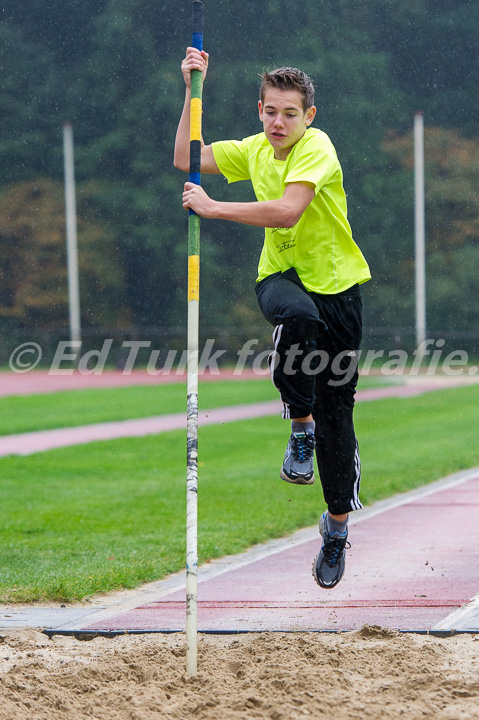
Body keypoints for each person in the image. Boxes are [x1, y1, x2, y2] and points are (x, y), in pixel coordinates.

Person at [174, 47, 371, 589]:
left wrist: (214, 208)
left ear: (308, 116)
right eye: (270, 111)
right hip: (282, 279)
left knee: (341, 422)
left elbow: (287, 210)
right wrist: (194, 89)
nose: (278, 122)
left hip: (340, 291)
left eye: (289, 113)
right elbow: (186, 159)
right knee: (297, 319)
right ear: (259, 110)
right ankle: (298, 428)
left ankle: (335, 528)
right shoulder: (253, 149)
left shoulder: (317, 147)